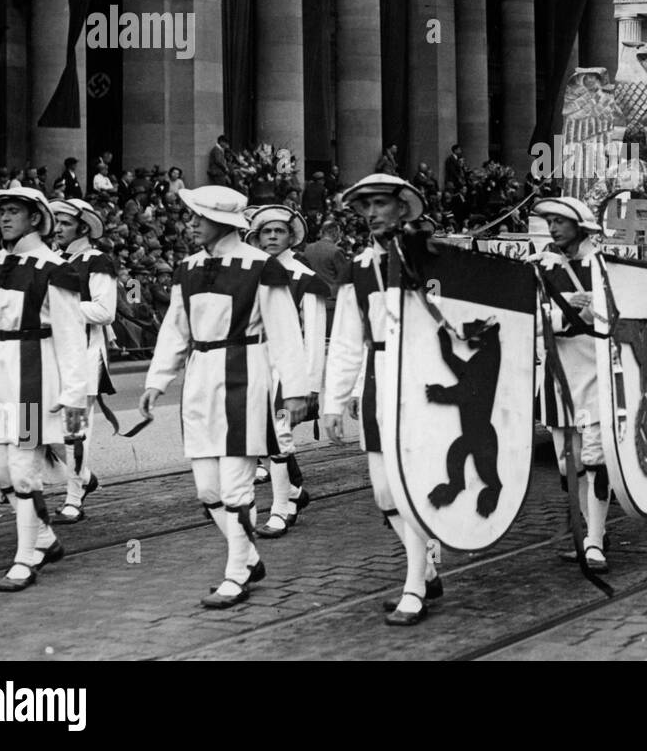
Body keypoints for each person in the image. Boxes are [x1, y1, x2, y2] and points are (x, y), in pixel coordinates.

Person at [138, 186, 310, 608]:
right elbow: (175, 330)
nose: (191, 223)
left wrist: (296, 391)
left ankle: (236, 573)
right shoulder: (187, 267)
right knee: (207, 492)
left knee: (236, 488)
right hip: (199, 379)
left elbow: (285, 331)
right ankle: (249, 556)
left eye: (199, 216)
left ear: (224, 221)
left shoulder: (262, 267)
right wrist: (155, 381)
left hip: (245, 376)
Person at [323, 173, 442, 626]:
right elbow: (350, 339)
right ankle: (426, 565)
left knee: (414, 487)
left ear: (402, 207)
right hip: (380, 380)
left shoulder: (430, 257)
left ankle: (414, 584)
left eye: (379, 204)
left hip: (423, 378)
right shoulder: (358, 267)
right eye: (364, 206)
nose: (370, 213)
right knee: (385, 493)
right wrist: (336, 400)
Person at [0, 187, 89, 591]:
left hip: (34, 379)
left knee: (24, 472)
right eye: (2, 212)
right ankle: (45, 538)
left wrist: (73, 399)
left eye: (14, 211)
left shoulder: (53, 268)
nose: (6, 218)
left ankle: (24, 559)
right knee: (1, 472)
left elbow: (71, 338)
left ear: (35, 218)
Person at [527, 196, 611, 572]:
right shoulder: (540, 268)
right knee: (568, 464)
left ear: (580, 225)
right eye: (550, 221)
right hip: (558, 373)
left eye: (561, 221)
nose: (553, 227)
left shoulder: (602, 265)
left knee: (595, 457)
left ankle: (595, 538)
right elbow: (532, 318)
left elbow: (617, 312)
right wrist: (567, 311)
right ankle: (584, 529)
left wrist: (590, 306)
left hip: (594, 370)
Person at [247, 205, 326, 539]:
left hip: (287, 371)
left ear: (291, 237)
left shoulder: (305, 280)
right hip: (254, 367)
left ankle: (281, 508)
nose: (272, 238)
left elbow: (313, 335)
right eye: (266, 232)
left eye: (279, 231)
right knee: (258, 438)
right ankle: (294, 493)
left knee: (279, 437)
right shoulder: (250, 273)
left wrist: (308, 384)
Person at [49, 199, 118, 523]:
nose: (57, 228)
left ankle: (74, 498)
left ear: (83, 227)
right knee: (38, 430)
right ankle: (85, 476)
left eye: (64, 223)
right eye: (56, 222)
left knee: (75, 430)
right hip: (51, 355)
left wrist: (56, 311)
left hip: (86, 354)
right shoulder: (50, 260)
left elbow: (105, 311)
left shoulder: (97, 261)